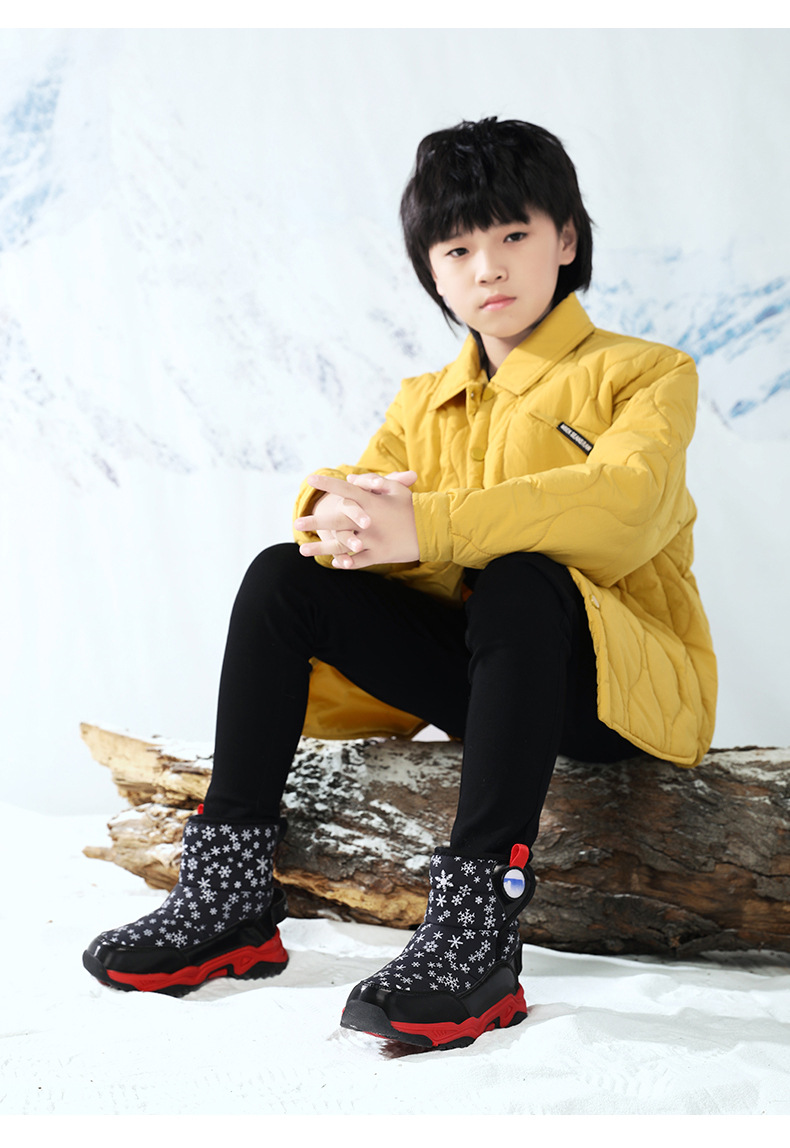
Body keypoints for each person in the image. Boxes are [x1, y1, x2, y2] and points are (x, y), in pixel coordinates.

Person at [83, 118, 717, 1051]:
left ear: (566, 240)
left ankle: (475, 930)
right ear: (432, 273)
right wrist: (334, 515)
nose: (488, 268)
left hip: (609, 695)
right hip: (488, 681)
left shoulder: (647, 373)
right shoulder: (425, 401)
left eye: (514, 235)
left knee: (523, 578)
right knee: (283, 576)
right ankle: (229, 898)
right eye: (457, 250)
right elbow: (361, 502)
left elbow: (624, 507)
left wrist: (427, 525)